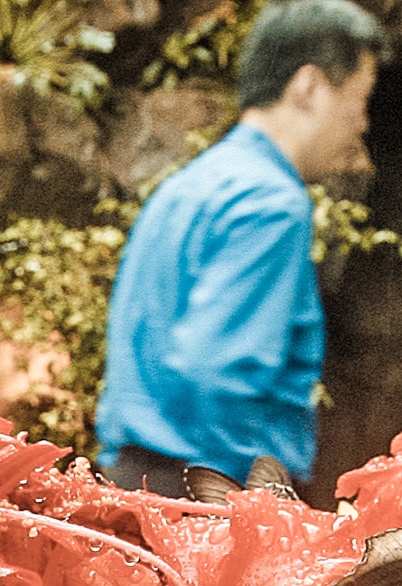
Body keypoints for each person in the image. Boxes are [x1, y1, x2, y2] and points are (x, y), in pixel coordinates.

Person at [95, 0, 383, 497]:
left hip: (134, 481)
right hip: (201, 497)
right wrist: (258, 508)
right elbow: (218, 375)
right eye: (359, 99)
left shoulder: (193, 184)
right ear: (309, 87)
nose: (362, 124)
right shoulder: (271, 201)